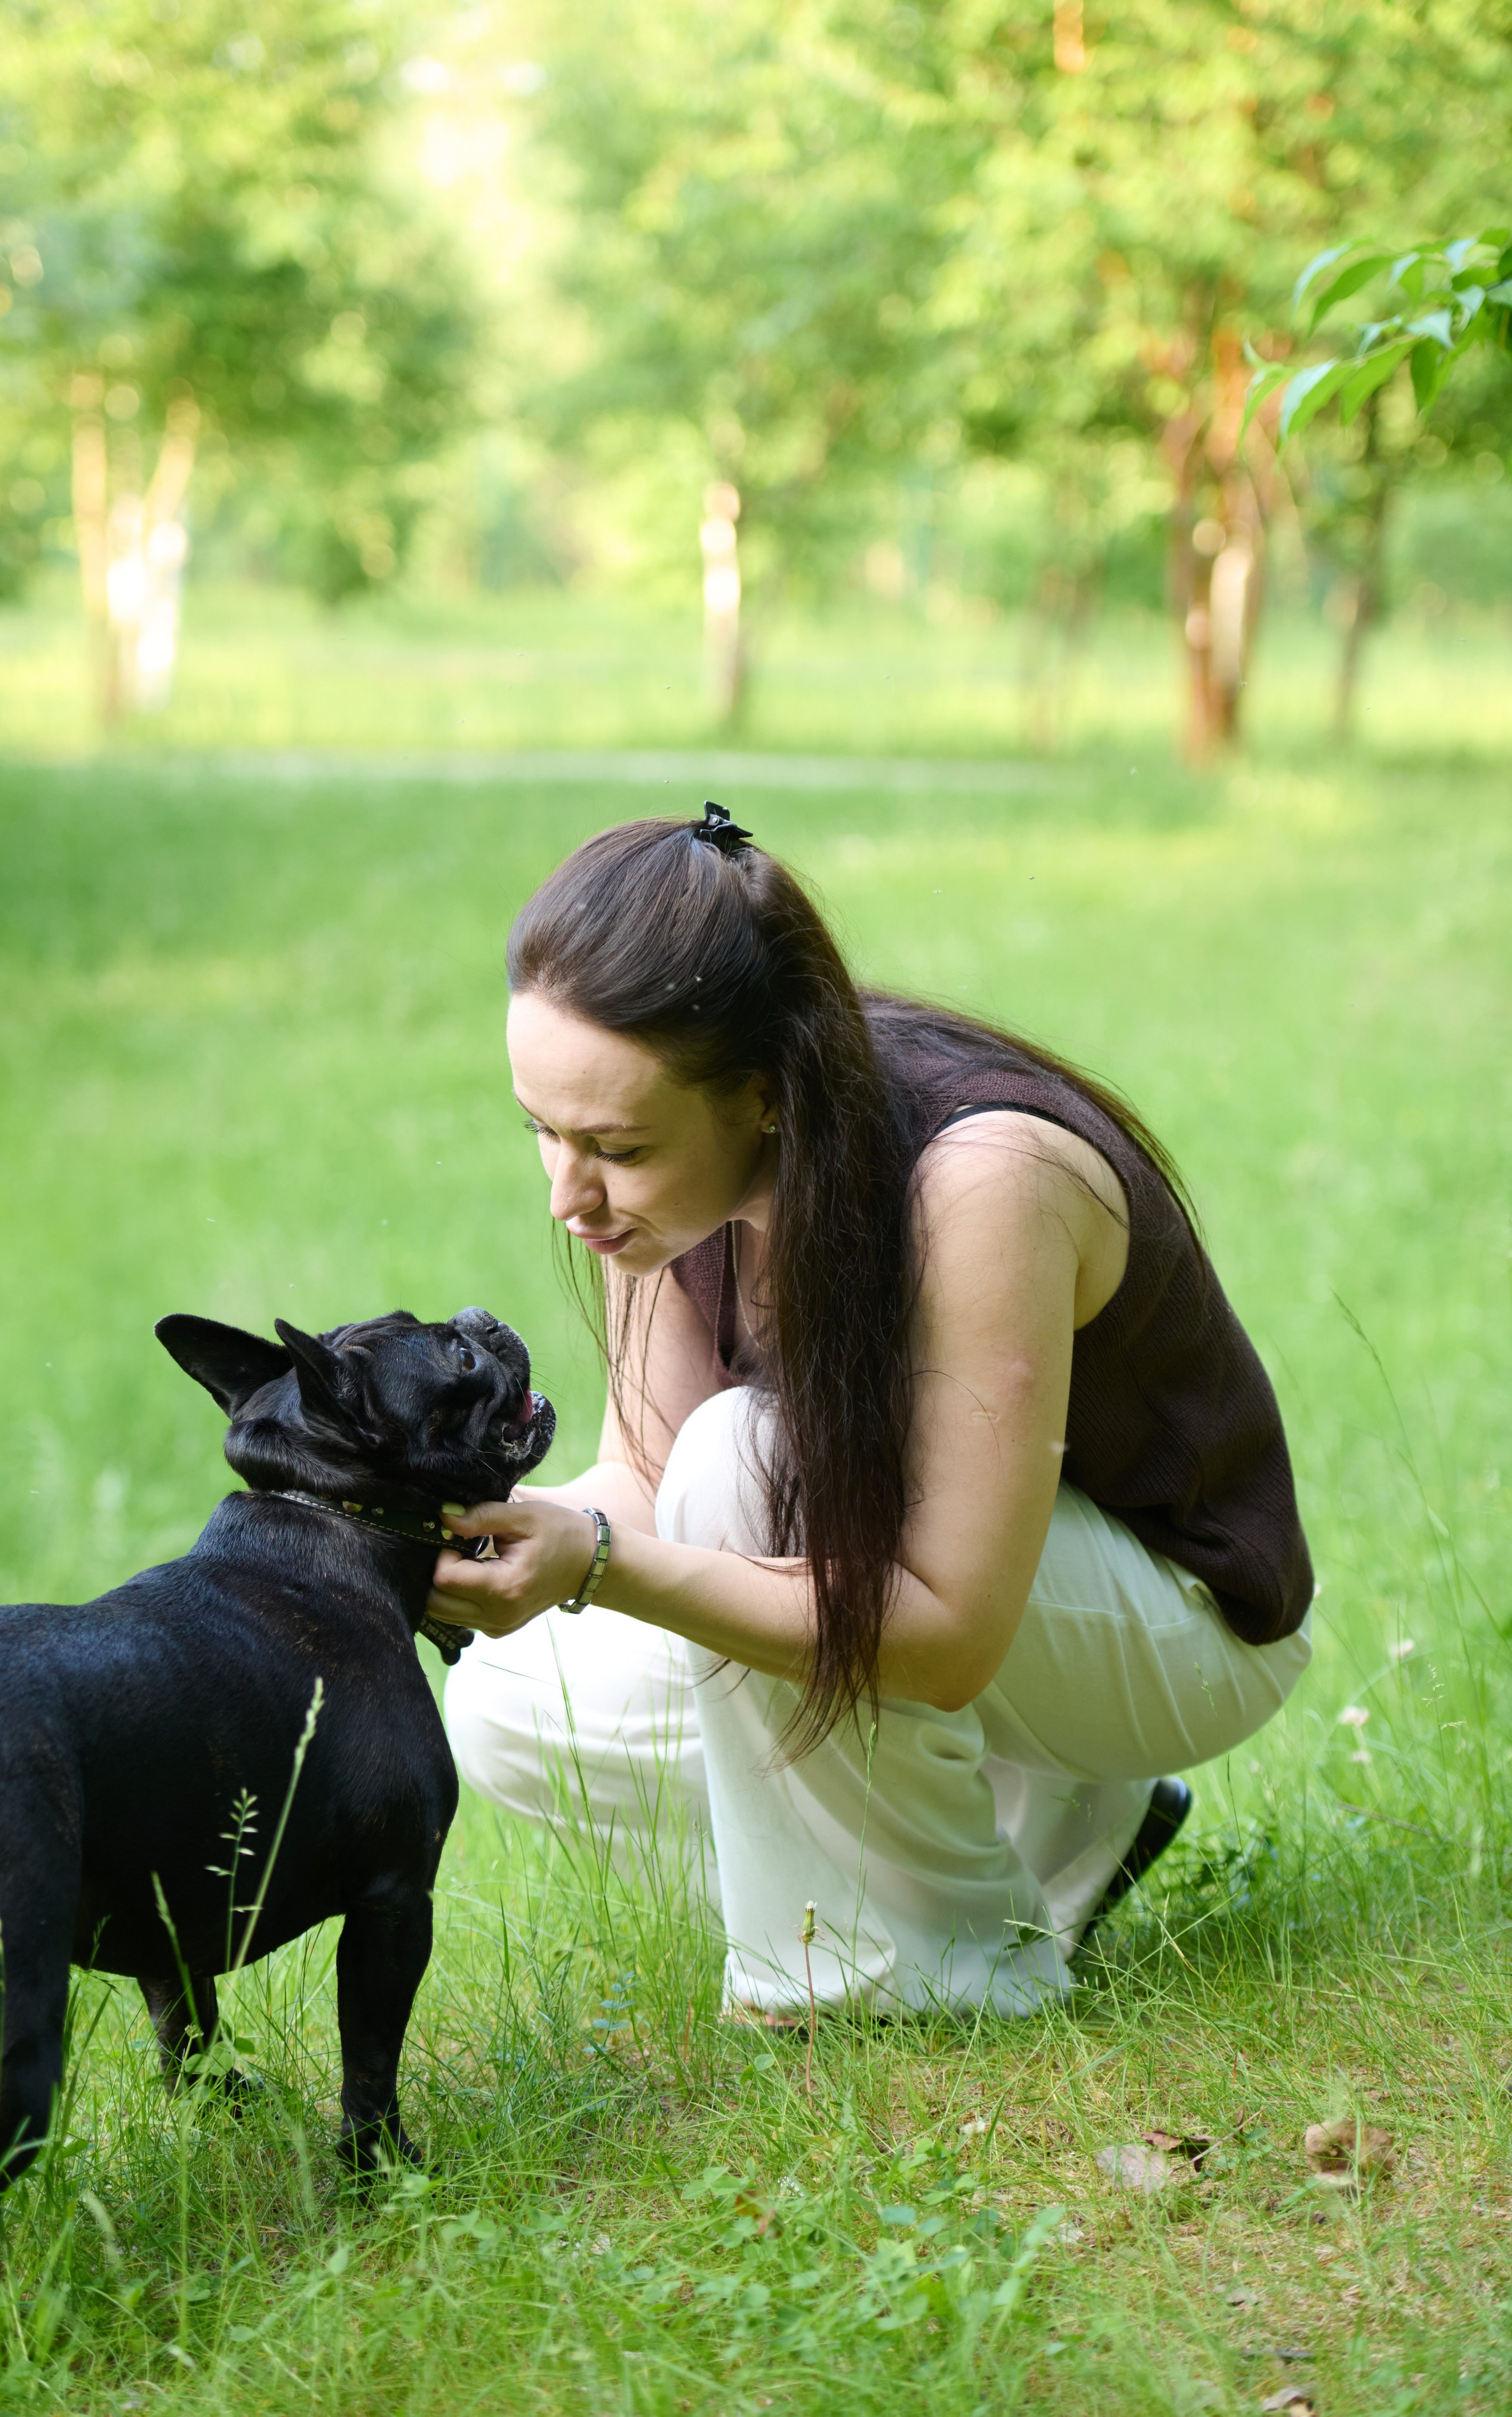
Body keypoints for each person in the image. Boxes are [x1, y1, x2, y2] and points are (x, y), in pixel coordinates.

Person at [433, 807, 1313, 2018]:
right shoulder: (663, 1198)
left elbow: (948, 1634)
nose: (567, 1195)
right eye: (543, 1130)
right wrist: (446, 1537)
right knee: (509, 1697)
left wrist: (595, 1561)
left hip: (1167, 1624)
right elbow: (641, 1484)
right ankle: (1045, 1846)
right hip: (967, 1607)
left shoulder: (987, 1177)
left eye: (616, 1148)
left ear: (762, 1095)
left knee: (745, 1462)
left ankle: (925, 1974)